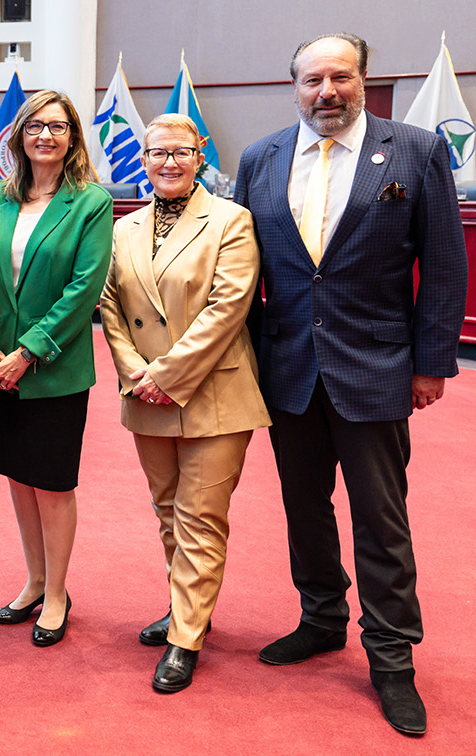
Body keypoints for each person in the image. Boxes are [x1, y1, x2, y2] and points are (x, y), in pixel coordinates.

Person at [234, 33, 467, 735]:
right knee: (304, 510)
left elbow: (445, 267)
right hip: (287, 373)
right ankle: (321, 618)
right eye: (312, 79)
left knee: (380, 520)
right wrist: (239, 368)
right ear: (294, 86)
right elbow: (243, 275)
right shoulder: (261, 158)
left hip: (376, 368)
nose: (326, 91)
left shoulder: (416, 151)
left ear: (364, 80)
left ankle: (392, 659)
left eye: (340, 76)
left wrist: (431, 363)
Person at [100, 114, 268, 693]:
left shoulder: (232, 221)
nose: (167, 163)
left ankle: (185, 639)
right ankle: (188, 608)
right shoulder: (125, 227)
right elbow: (110, 307)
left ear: (201, 155)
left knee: (200, 518)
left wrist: (166, 375)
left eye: (180, 152)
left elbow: (229, 308)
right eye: (156, 153)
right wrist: (132, 370)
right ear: (141, 159)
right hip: (144, 392)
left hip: (213, 392)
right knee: (168, 512)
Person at [0, 90, 112, 648]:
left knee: (51, 484)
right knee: (18, 478)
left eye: (57, 127)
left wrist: (27, 352)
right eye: (35, 127)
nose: (45, 136)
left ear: (72, 136)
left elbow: (84, 290)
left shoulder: (91, 202)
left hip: (51, 368)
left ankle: (58, 593)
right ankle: (33, 580)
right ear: (18, 136)